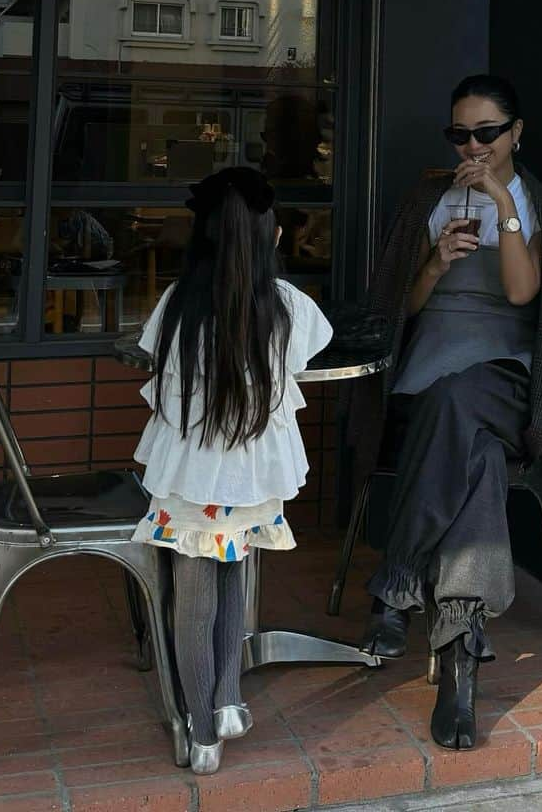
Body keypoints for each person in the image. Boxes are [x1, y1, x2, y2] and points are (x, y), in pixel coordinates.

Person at [348, 75, 542, 752]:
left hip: (505, 373)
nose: (474, 145)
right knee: (479, 456)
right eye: (461, 134)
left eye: (488, 132)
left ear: (518, 132)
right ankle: (459, 654)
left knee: (464, 404)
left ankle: (396, 581)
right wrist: (432, 264)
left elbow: (521, 294)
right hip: (431, 366)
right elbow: (398, 310)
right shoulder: (427, 199)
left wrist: (501, 207)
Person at [129, 166, 332, 775]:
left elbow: (151, 357)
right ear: (271, 239)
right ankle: (227, 702)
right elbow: (310, 355)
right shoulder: (289, 308)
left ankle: (202, 732)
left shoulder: (179, 305)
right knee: (234, 576)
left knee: (193, 595)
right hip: (250, 479)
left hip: (190, 477)